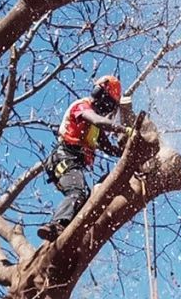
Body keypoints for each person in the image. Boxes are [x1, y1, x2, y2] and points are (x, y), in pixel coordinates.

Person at [37, 75, 132, 241]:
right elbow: (99, 121)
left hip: (74, 161)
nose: (105, 106)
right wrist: (125, 130)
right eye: (106, 101)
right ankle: (55, 225)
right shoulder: (83, 107)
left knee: (86, 197)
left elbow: (109, 148)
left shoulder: (95, 127)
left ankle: (69, 233)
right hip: (64, 157)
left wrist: (127, 150)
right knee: (78, 192)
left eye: (109, 104)